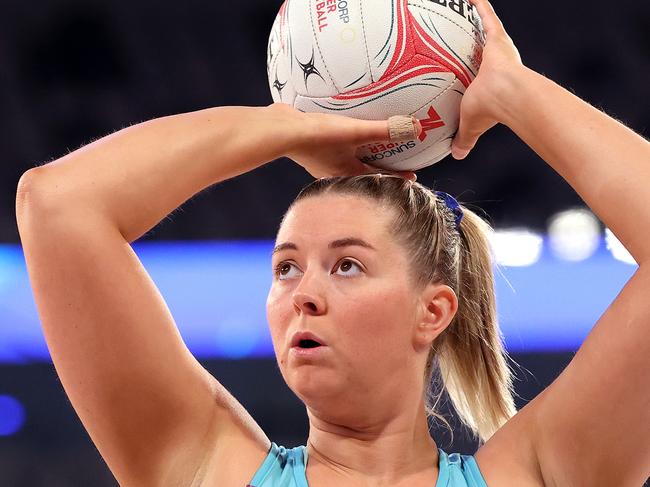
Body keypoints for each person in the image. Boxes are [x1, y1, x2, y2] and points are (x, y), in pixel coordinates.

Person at [15, 0, 650, 485]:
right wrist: (282, 126)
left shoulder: (539, 472)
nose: (303, 296)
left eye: (346, 265)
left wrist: (516, 91)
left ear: (433, 309)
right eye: (286, 268)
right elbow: (57, 205)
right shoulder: (204, 465)